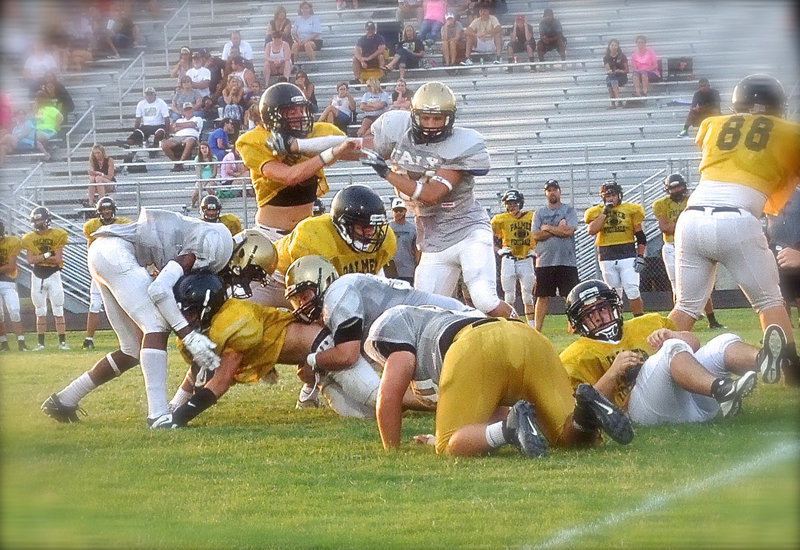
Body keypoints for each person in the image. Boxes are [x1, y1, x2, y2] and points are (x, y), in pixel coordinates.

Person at [40, 214, 274, 427]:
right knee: (156, 325)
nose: (247, 281)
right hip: (116, 252)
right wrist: (188, 335)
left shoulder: (216, 247)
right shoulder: (214, 246)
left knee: (131, 350)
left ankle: (64, 400)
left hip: (107, 252)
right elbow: (159, 290)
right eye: (252, 274)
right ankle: (158, 415)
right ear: (244, 256)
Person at [667, 74, 800, 385]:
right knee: (768, 301)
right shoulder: (789, 131)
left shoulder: (712, 124)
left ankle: (646, 362)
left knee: (685, 306)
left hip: (691, 218)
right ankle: (792, 370)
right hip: (737, 218)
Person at [365, 304, 633, 456]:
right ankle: (585, 412)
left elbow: (388, 397)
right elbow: (488, 409)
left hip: (476, 346)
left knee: (448, 444)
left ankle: (508, 430)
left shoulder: (396, 330)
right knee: (564, 435)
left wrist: (392, 451)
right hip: (528, 337)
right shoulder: (446, 317)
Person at [361, 81, 513, 318]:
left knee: (485, 300)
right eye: (426, 118)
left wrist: (387, 173)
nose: (431, 125)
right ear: (414, 115)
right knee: (423, 313)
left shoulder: (461, 144)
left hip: (467, 232)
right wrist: (315, 148)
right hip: (434, 242)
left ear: (449, 119)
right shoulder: (397, 130)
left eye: (438, 118)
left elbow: (431, 195)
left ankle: (527, 336)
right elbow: (357, 147)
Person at [284, 255, 474, 414]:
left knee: (386, 395)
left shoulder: (338, 295)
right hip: (438, 327)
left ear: (323, 281)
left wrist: (312, 360)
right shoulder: (344, 289)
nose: (302, 305)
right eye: (297, 300)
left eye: (305, 296)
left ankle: (456, 403)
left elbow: (347, 355)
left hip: (452, 325)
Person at [561, 279, 766, 426]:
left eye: (602, 308)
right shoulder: (576, 357)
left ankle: (767, 360)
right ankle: (723, 390)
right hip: (643, 413)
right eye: (589, 314)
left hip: (693, 400)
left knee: (723, 341)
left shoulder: (647, 322)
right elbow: (583, 412)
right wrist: (613, 372)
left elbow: (694, 345)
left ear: (615, 306)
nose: (599, 317)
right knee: (670, 349)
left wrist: (673, 335)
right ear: (578, 323)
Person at [236, 82, 359, 234]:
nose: (300, 115)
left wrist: (301, 145)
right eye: (292, 112)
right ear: (272, 115)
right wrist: (330, 153)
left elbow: (362, 146)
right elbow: (290, 176)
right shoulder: (255, 140)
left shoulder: (318, 131)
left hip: (305, 233)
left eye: (302, 110)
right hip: (271, 232)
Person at [273, 185, 397, 278]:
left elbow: (376, 283)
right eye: (363, 226)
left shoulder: (385, 239)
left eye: (373, 226)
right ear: (343, 225)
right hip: (280, 277)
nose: (370, 232)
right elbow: (308, 288)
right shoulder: (315, 237)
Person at [653, 173, 725, 329]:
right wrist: (687, 223)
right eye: (673, 188)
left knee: (702, 283)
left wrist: (678, 224)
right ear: (667, 189)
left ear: (684, 186)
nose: (677, 190)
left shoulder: (693, 199)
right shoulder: (661, 204)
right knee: (676, 286)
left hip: (692, 243)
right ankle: (679, 323)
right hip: (672, 246)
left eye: (679, 186)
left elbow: (699, 222)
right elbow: (665, 227)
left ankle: (712, 320)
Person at [585, 180, 646, 316]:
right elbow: (591, 230)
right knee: (613, 294)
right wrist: (605, 213)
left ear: (619, 195)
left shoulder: (631, 209)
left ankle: (639, 319)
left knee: (632, 289)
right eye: (608, 196)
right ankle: (617, 321)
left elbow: (640, 236)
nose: (611, 198)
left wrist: (640, 255)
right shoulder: (597, 211)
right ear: (603, 197)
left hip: (627, 254)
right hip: (607, 256)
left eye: (613, 195)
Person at [81, 197, 132, 350]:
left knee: (126, 303)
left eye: (109, 209)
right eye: (103, 209)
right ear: (99, 211)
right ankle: (89, 339)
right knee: (95, 304)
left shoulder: (123, 223)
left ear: (114, 209)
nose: (107, 212)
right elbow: (90, 249)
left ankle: (133, 336)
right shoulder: (92, 226)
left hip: (118, 270)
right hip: (100, 271)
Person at [531, 180, 579, 332]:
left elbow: (568, 231)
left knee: (570, 295)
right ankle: (537, 329)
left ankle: (574, 326)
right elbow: (536, 235)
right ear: (545, 193)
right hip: (544, 261)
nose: (552, 192)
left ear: (560, 191)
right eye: (549, 190)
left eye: (555, 189)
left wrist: (548, 228)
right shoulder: (539, 213)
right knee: (542, 296)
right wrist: (558, 228)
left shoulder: (569, 210)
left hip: (566, 261)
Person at [21, 207, 69, 351]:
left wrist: (40, 257)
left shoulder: (57, 234)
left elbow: (58, 259)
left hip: (54, 274)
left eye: (41, 219)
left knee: (58, 308)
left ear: (47, 219)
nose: (38, 222)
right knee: (40, 310)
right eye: (36, 220)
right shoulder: (29, 238)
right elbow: (30, 260)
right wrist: (48, 255)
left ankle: (62, 343)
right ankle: (40, 344)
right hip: (37, 275)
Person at [492, 190, 536, 326]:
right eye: (509, 203)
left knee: (528, 297)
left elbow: (541, 233)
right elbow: (486, 237)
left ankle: (532, 327)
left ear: (520, 203)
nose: (512, 206)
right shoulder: (500, 219)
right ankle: (510, 324)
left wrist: (536, 249)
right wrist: (499, 250)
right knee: (509, 297)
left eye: (515, 203)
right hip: (509, 260)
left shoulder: (532, 216)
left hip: (526, 259)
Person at [766, 188, 800, 324]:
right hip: (776, 246)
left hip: (796, 245)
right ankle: (785, 325)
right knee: (781, 292)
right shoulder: (771, 196)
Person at [0, 221, 28, 352]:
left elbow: (11, 267)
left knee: (15, 311)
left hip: (8, 282)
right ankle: (4, 343)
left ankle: (21, 342)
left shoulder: (12, 242)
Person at [160, 102, 202, 172]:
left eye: (190, 109)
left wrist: (177, 125)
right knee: (164, 144)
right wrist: (187, 125)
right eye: (186, 110)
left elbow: (192, 124)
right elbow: (173, 129)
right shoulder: (179, 120)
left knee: (190, 141)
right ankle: (177, 163)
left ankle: (181, 162)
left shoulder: (198, 118)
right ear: (183, 112)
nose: (188, 111)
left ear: (193, 110)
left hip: (190, 136)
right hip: (177, 137)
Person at [387, 197, 418, 284]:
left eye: (400, 210)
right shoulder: (387, 228)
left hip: (408, 270)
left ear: (405, 211)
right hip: (390, 271)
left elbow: (416, 249)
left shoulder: (412, 229)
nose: (398, 213)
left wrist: (417, 265)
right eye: (396, 210)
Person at [192, 141, 218, 207]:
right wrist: (201, 181)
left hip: (211, 180)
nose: (204, 150)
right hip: (201, 180)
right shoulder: (197, 159)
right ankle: (193, 205)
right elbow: (198, 173)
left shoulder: (213, 158)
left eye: (206, 148)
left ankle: (214, 201)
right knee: (195, 193)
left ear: (208, 148)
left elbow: (214, 173)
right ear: (200, 150)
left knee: (208, 187)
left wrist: (207, 181)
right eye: (202, 148)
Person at [603, 39, 628, 109]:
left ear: (618, 47)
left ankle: (613, 102)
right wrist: (612, 71)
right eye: (612, 45)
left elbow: (626, 70)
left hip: (622, 76)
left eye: (615, 45)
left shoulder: (622, 56)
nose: (614, 47)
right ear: (609, 46)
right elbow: (608, 70)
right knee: (611, 79)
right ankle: (618, 99)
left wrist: (620, 71)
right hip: (612, 75)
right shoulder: (606, 58)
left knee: (610, 81)